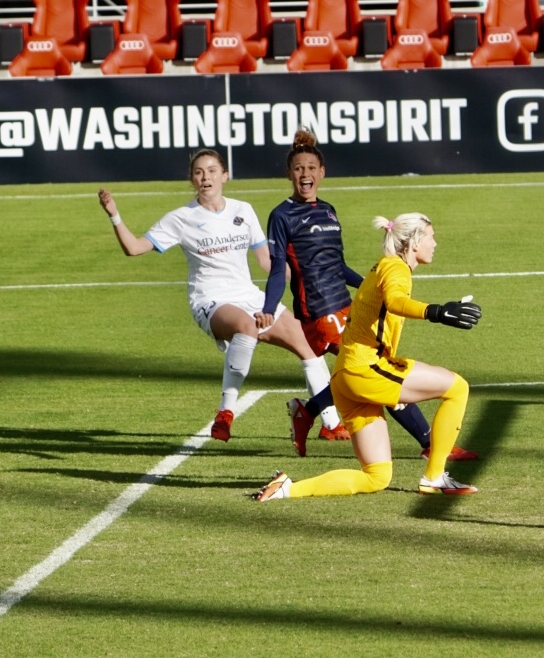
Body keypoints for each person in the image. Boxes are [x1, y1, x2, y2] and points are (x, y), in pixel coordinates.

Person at [256, 128, 478, 462]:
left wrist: (371, 289)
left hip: (345, 304)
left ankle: (308, 411)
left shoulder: (328, 211)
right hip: (317, 310)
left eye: (311, 168)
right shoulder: (281, 216)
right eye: (298, 168)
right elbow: (277, 268)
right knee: (374, 371)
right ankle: (429, 443)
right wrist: (269, 307)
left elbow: (338, 264)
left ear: (322, 172)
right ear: (289, 174)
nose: (305, 174)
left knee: (361, 373)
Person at [97, 148, 335, 442]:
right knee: (246, 326)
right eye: (198, 172)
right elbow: (133, 248)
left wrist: (304, 275)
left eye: (211, 171)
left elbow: (266, 261)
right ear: (192, 180)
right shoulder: (181, 218)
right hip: (210, 300)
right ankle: (225, 413)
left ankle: (331, 423)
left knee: (308, 344)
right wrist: (114, 215)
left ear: (225, 176)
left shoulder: (243, 210)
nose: (205, 177)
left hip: (248, 295)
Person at [252, 212, 483, 502]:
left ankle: (286, 489)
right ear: (414, 242)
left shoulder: (385, 266)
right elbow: (396, 302)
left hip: (346, 377)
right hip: (365, 368)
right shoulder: (396, 268)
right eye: (431, 237)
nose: (435, 243)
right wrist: (435, 312)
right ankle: (435, 477)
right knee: (457, 387)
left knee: (376, 477)